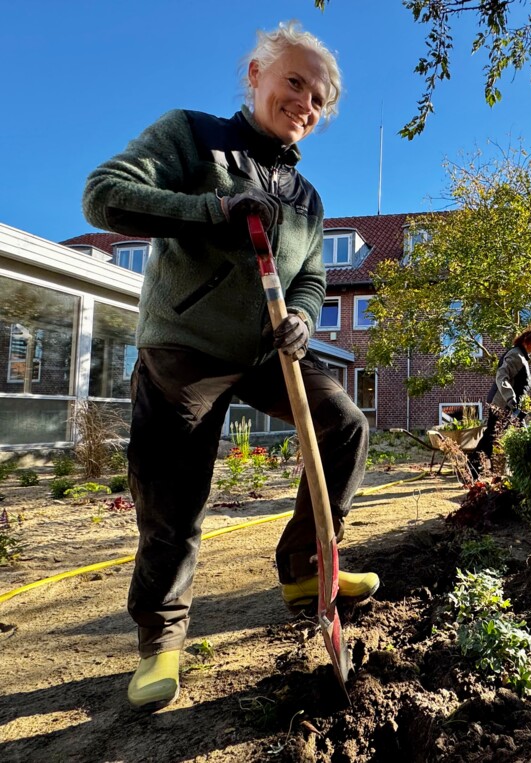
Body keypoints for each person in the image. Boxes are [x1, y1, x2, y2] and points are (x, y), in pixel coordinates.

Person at [82, 22, 378, 712]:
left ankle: (308, 568)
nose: (306, 100)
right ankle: (162, 639)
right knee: (175, 493)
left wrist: (303, 315)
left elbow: (309, 279)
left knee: (345, 424)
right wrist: (212, 209)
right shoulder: (193, 137)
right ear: (257, 74)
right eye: (295, 81)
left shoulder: (306, 200)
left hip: (266, 351)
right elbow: (104, 195)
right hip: (185, 346)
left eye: (320, 97)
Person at [473, 329, 531, 469]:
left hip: (510, 405)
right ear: (525, 341)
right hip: (502, 404)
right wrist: (510, 398)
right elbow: (501, 376)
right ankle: (474, 466)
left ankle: (482, 467)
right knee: (492, 436)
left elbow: (519, 384)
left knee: (494, 436)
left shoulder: (521, 356)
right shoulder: (515, 356)